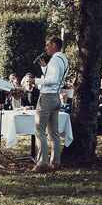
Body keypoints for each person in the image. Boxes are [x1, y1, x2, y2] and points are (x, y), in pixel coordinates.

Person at [33, 35, 69, 172]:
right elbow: (57, 78)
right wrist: (44, 67)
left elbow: (52, 79)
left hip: (47, 97)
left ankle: (42, 163)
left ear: (54, 45)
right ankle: (56, 161)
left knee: (39, 130)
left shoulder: (54, 60)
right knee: (54, 132)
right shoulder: (64, 59)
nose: (46, 48)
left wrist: (35, 81)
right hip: (56, 97)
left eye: (48, 45)